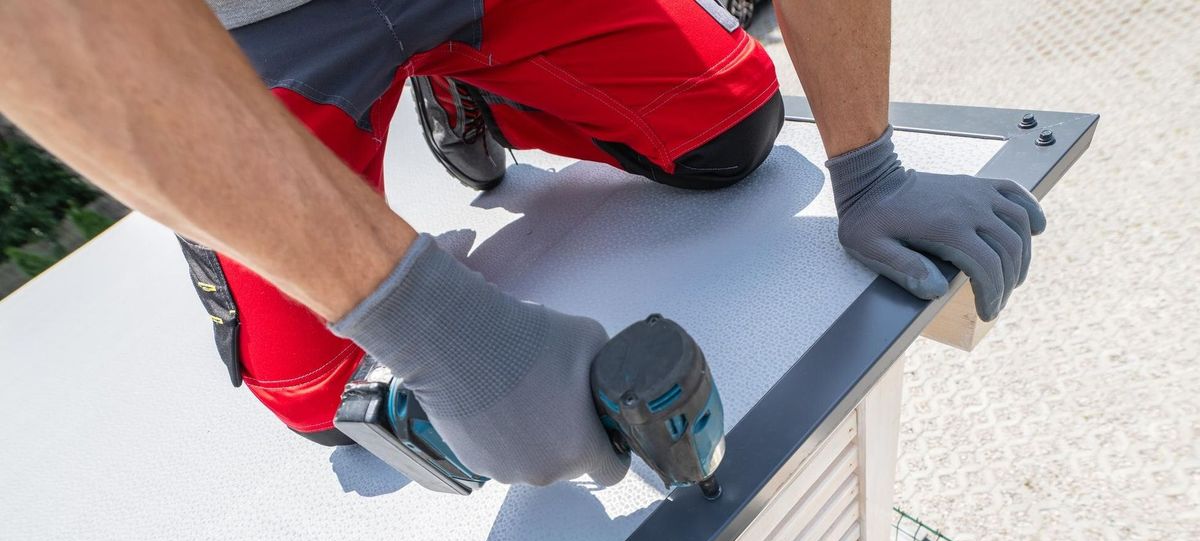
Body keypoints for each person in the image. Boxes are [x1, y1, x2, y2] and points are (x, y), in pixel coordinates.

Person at [0, 0, 1044, 487]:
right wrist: (425, 321)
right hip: (228, 38)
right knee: (323, 392)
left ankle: (463, 77)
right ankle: (212, 219)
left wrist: (869, 163)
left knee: (735, 127)